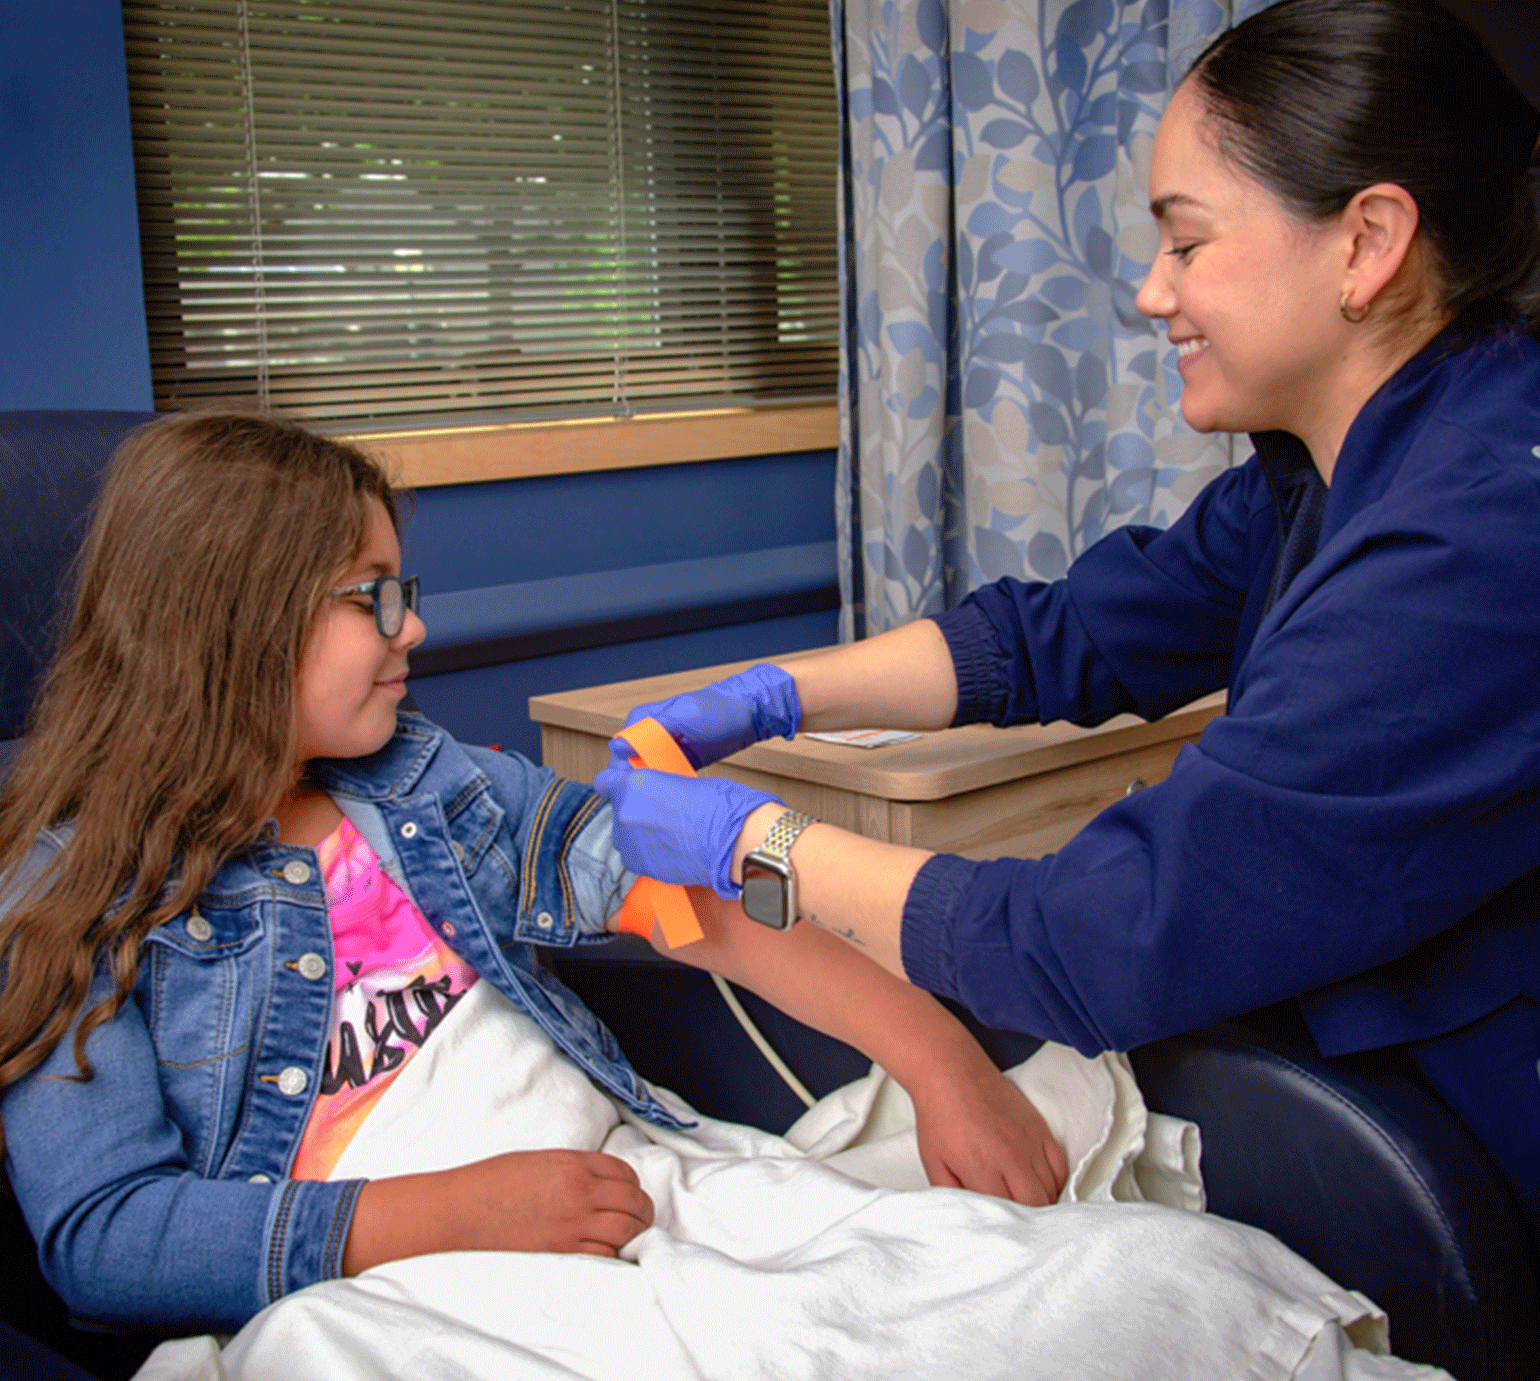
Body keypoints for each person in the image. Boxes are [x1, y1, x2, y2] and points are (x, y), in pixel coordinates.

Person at [594, 0, 1540, 1247]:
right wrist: (779, 693)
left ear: (1365, 243)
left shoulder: (1475, 536)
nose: (1153, 294)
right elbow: (1067, 634)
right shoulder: (1332, 468)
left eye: (1186, 243)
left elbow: (1099, 935)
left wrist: (759, 841)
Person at [0, 410, 1067, 1336]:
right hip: (388, 1285)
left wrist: (944, 1067)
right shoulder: (65, 906)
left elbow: (697, 906)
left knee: (1016, 1288)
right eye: (368, 597)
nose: (411, 626)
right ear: (235, 625)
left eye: (400, 590)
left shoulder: (427, 783)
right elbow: (107, 1236)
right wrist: (457, 1212)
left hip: (624, 1190)